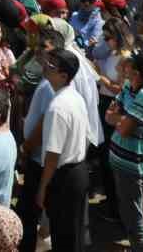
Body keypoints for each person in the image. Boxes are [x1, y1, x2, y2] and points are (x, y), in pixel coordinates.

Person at [35, 48, 89, 252]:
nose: (46, 67)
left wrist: (43, 187)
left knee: (64, 237)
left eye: (51, 66)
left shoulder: (57, 107)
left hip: (64, 177)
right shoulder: (75, 97)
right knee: (72, 235)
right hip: (77, 172)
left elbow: (53, 154)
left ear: (64, 75)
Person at [108, 52, 143, 252]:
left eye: (129, 66)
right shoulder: (129, 88)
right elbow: (109, 115)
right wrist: (119, 118)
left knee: (133, 215)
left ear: (136, 72)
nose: (124, 68)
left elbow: (122, 128)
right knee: (128, 211)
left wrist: (118, 119)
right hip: (120, 160)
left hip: (132, 166)